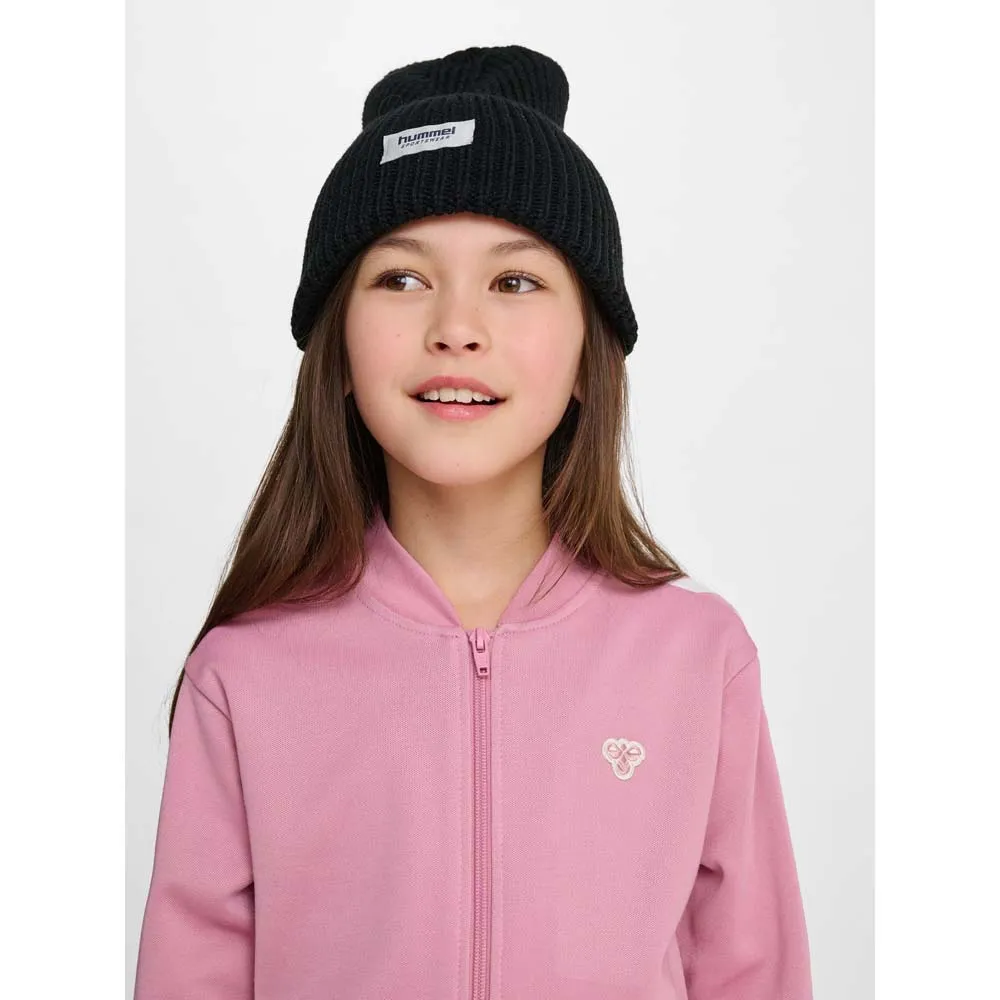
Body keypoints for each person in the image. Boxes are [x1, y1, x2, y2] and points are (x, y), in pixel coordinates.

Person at [133, 43, 814, 1000]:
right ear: (337, 348)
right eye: (402, 280)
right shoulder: (243, 674)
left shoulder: (697, 658)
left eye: (515, 282)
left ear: (590, 354)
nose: (457, 326)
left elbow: (754, 972)